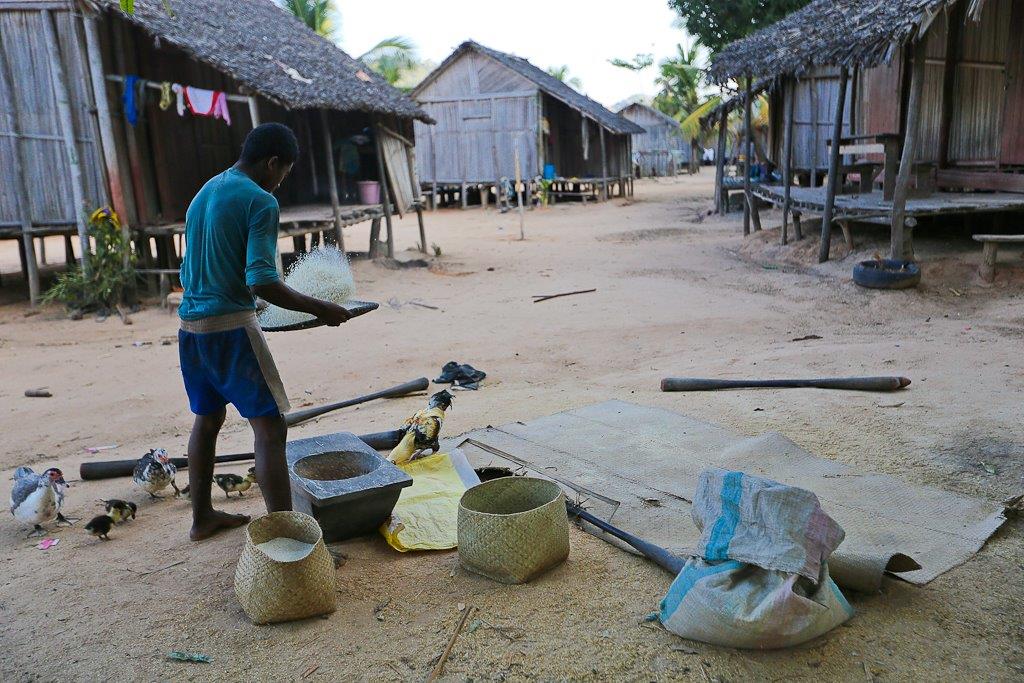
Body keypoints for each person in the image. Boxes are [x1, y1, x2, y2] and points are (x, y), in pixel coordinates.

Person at [177, 123, 351, 541]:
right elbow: (263, 280)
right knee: (270, 429)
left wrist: (246, 296)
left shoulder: (207, 190)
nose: (280, 182)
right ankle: (287, 535)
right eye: (283, 173)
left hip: (190, 326)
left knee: (208, 418)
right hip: (229, 329)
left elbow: (200, 268)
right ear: (272, 163)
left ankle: (202, 517)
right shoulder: (261, 201)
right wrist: (320, 307)